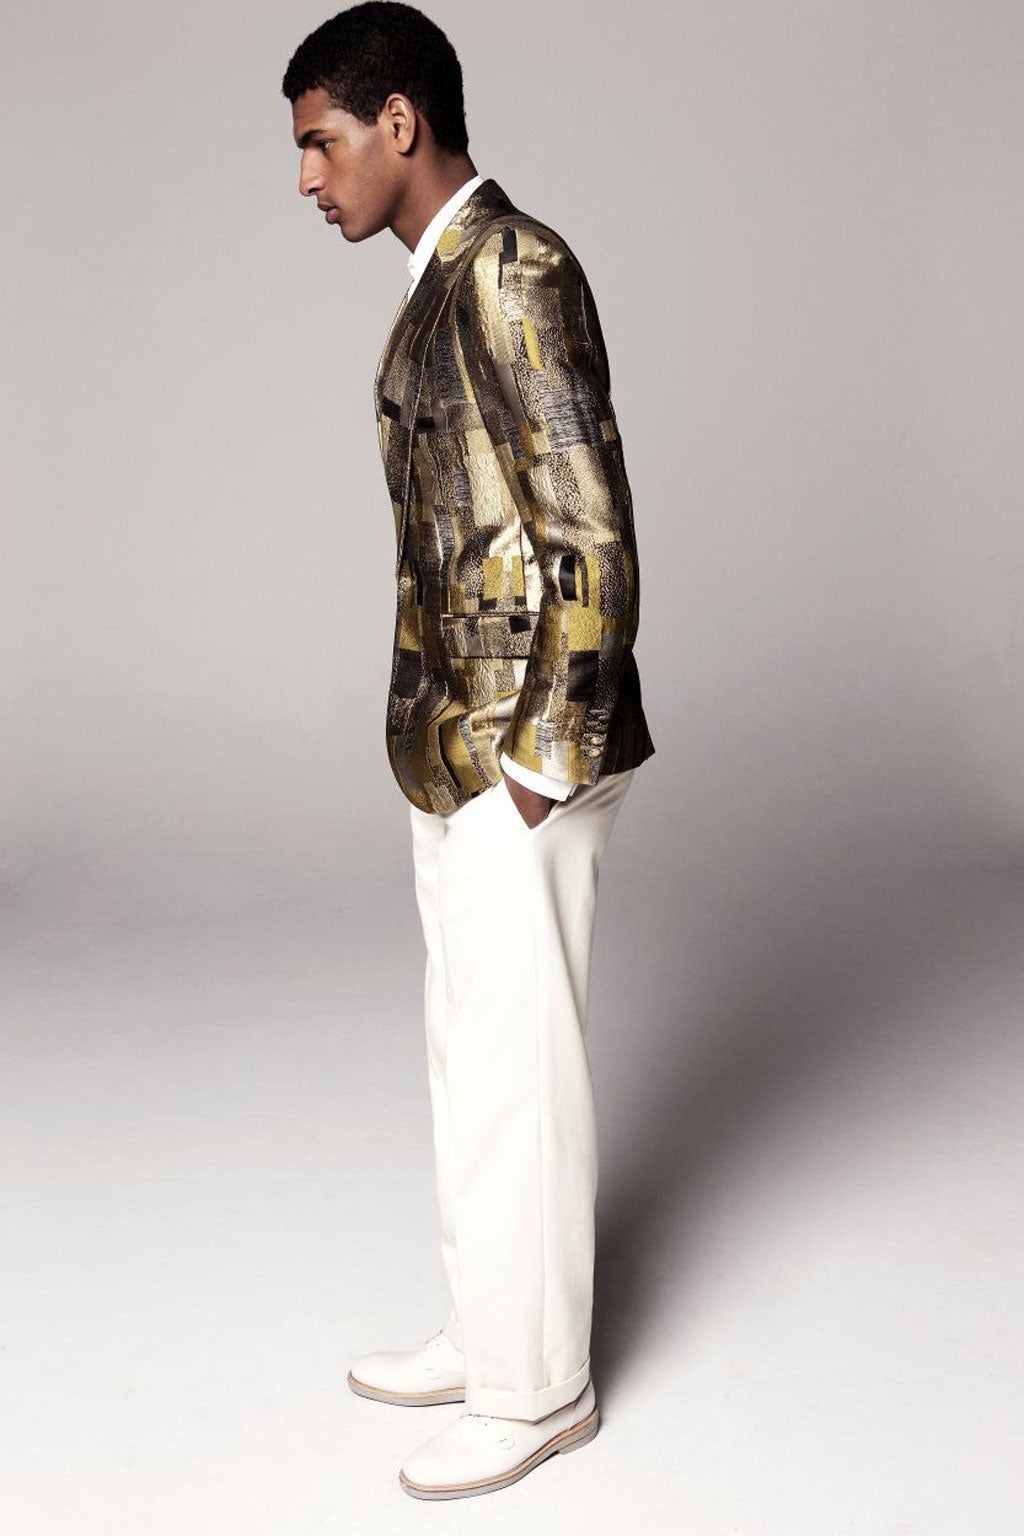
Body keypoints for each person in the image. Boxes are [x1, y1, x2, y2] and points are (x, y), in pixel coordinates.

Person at [282, 1, 655, 1500]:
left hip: (525, 750)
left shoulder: (516, 268)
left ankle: (538, 1389)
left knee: (523, 1070)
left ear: (400, 123)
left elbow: (591, 529)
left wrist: (543, 762)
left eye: (321, 143)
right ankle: (490, 1331)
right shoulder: (440, 279)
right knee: (471, 1055)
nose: (307, 178)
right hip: (453, 747)